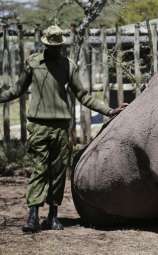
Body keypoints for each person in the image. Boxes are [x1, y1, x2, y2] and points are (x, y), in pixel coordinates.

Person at [0, 25, 126, 233]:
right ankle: (32, 217)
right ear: (44, 44)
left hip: (61, 128)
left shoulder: (69, 66)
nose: (54, 49)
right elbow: (16, 89)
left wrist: (109, 110)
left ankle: (53, 216)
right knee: (39, 170)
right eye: (51, 45)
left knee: (58, 174)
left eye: (57, 45)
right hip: (39, 126)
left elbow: (83, 96)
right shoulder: (33, 63)